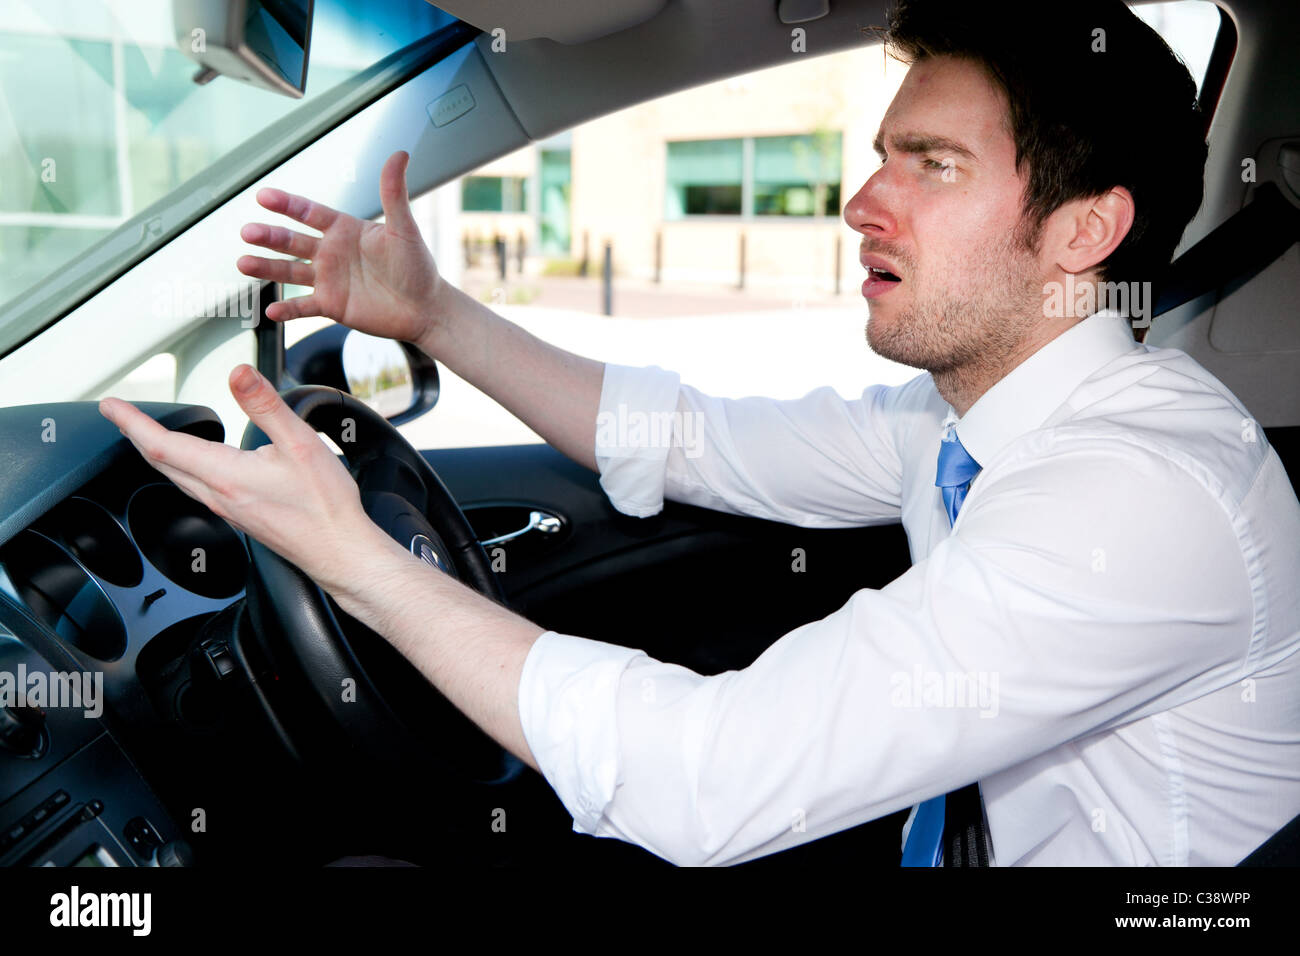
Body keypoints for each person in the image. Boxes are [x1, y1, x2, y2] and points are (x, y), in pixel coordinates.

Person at [100, 0, 1300, 866]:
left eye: (931, 165)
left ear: (1084, 232)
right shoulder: (969, 419)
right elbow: (682, 436)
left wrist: (359, 561)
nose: (860, 202)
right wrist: (429, 315)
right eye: (882, 155)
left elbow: (709, 779)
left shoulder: (1136, 497)